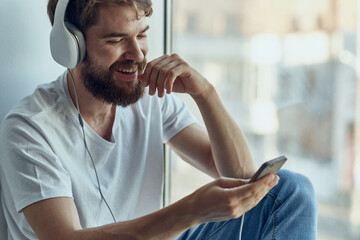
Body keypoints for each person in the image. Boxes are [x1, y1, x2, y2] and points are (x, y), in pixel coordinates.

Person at [0, 0, 317, 239]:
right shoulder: (29, 130)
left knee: (289, 189)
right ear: (71, 46)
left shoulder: (147, 98)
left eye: (141, 35)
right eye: (116, 40)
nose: (137, 55)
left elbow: (242, 175)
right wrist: (191, 211)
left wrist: (204, 92)